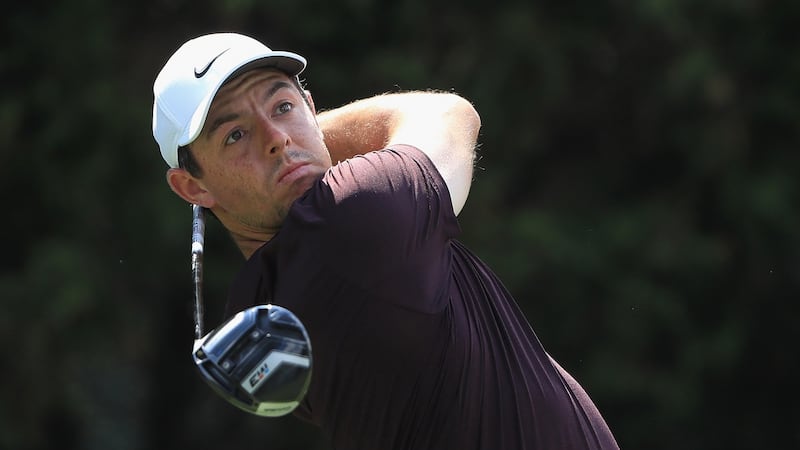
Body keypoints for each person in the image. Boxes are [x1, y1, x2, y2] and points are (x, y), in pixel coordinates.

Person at [152, 32, 619, 450]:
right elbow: (449, 113)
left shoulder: (255, 307)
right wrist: (306, 132)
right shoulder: (354, 216)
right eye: (235, 135)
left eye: (283, 107)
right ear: (192, 188)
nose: (275, 138)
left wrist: (256, 147)